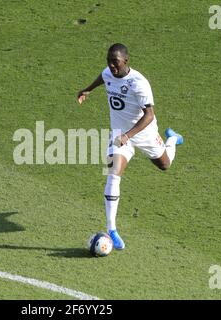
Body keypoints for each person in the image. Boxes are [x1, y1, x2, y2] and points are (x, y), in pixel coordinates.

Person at [77, 43, 183, 250]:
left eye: (115, 62)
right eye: (108, 61)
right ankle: (112, 230)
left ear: (126, 61)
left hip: (144, 133)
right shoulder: (108, 73)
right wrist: (87, 90)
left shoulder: (139, 83)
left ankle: (172, 139)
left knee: (165, 164)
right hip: (118, 135)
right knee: (112, 174)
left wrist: (129, 135)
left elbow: (149, 115)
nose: (111, 66)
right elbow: (103, 77)